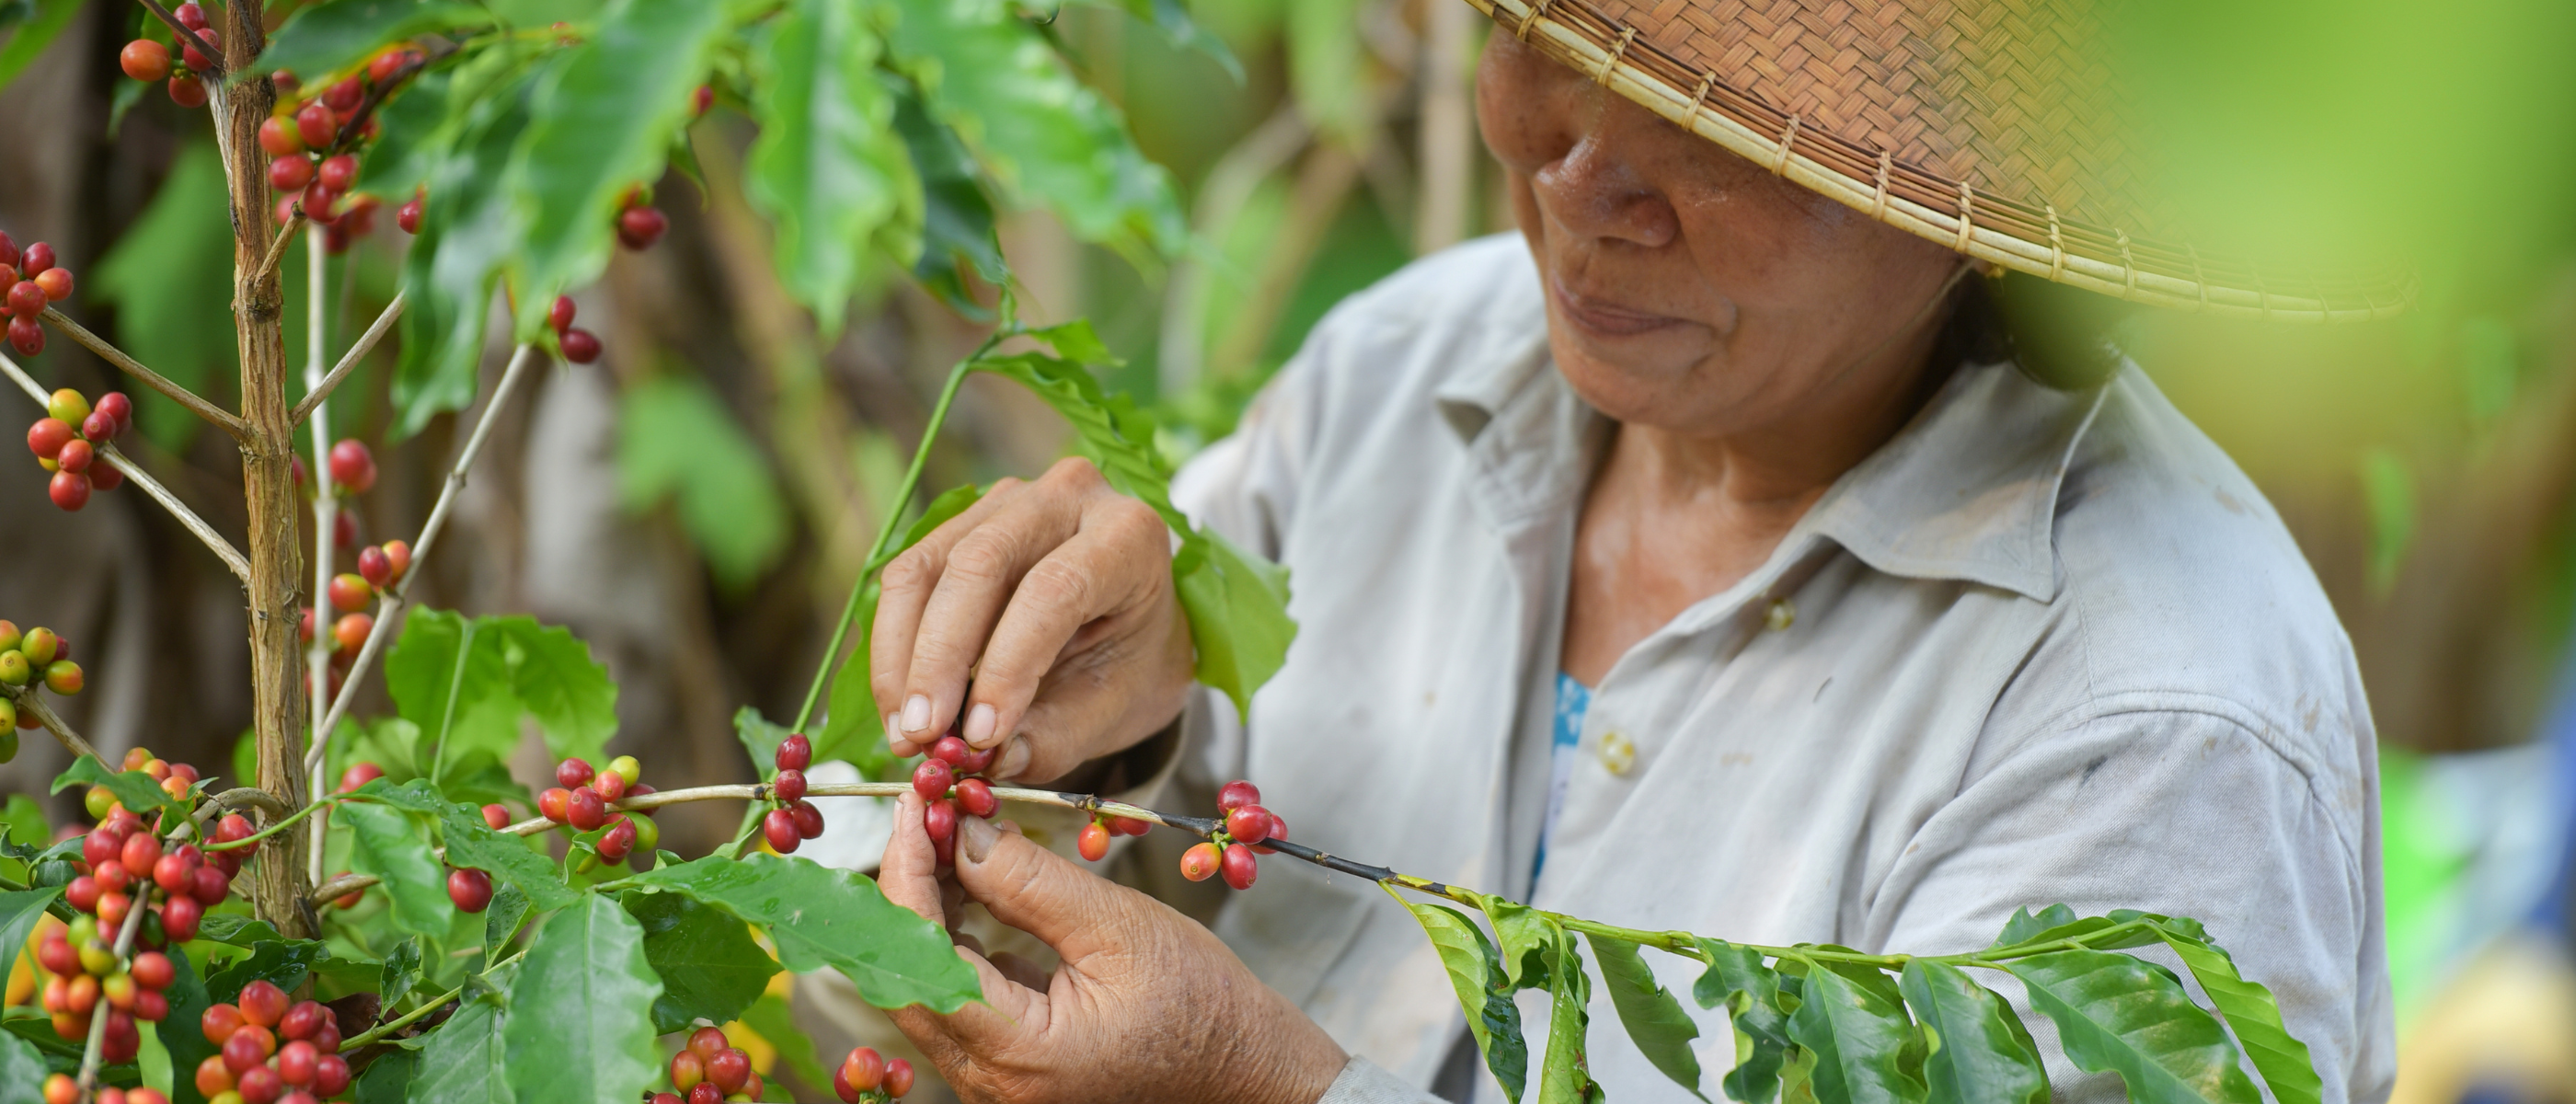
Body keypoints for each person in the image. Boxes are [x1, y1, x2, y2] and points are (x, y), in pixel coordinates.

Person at [863, 0, 2398, 1100]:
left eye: (1719, 131)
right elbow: (1160, 862)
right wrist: (1104, 740)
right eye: (1562, 45)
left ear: (1971, 213)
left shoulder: (2156, 730)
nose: (1580, 178)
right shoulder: (1409, 373)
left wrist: (1267, 1091)